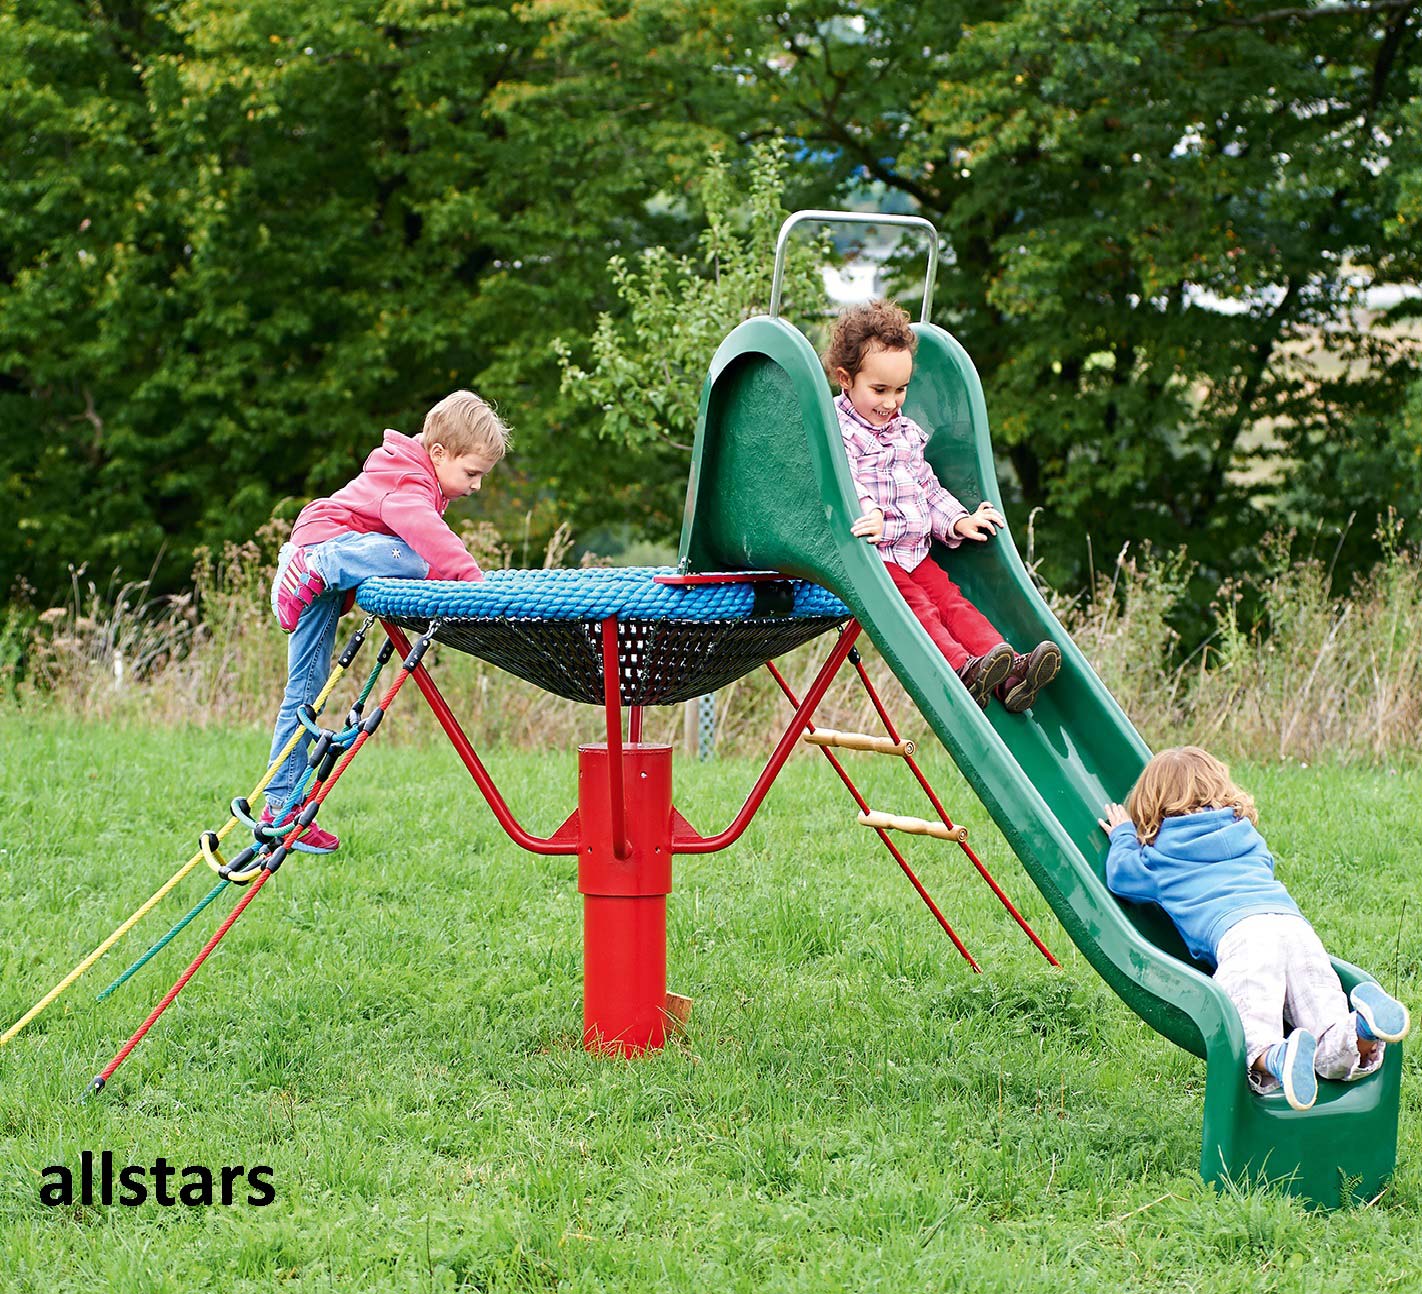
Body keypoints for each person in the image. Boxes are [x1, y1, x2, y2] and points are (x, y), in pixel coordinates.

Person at [262, 389, 509, 853]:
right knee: (416, 555)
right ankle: (318, 565)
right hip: (324, 550)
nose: (477, 486)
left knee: (303, 692)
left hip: (322, 581)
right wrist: (475, 583)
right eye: (472, 473)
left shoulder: (418, 479)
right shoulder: (409, 482)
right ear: (438, 453)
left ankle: (282, 805)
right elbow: (425, 539)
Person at [1100, 746, 1410, 1111]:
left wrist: (1123, 834)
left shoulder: (1161, 855)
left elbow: (1121, 876)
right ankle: (1361, 1028)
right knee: (1326, 1025)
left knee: (1249, 1029)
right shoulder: (1244, 835)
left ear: (1153, 805)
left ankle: (1277, 1057)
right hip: (1295, 929)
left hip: (1242, 938)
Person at [825, 299, 1060, 711]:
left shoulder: (905, 432)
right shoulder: (839, 429)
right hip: (878, 561)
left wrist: (958, 521)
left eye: (901, 390)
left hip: (915, 553)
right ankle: (962, 668)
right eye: (879, 390)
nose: (891, 402)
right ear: (846, 378)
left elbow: (927, 488)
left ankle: (1009, 676)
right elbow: (843, 478)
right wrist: (870, 512)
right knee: (922, 610)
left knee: (953, 602)